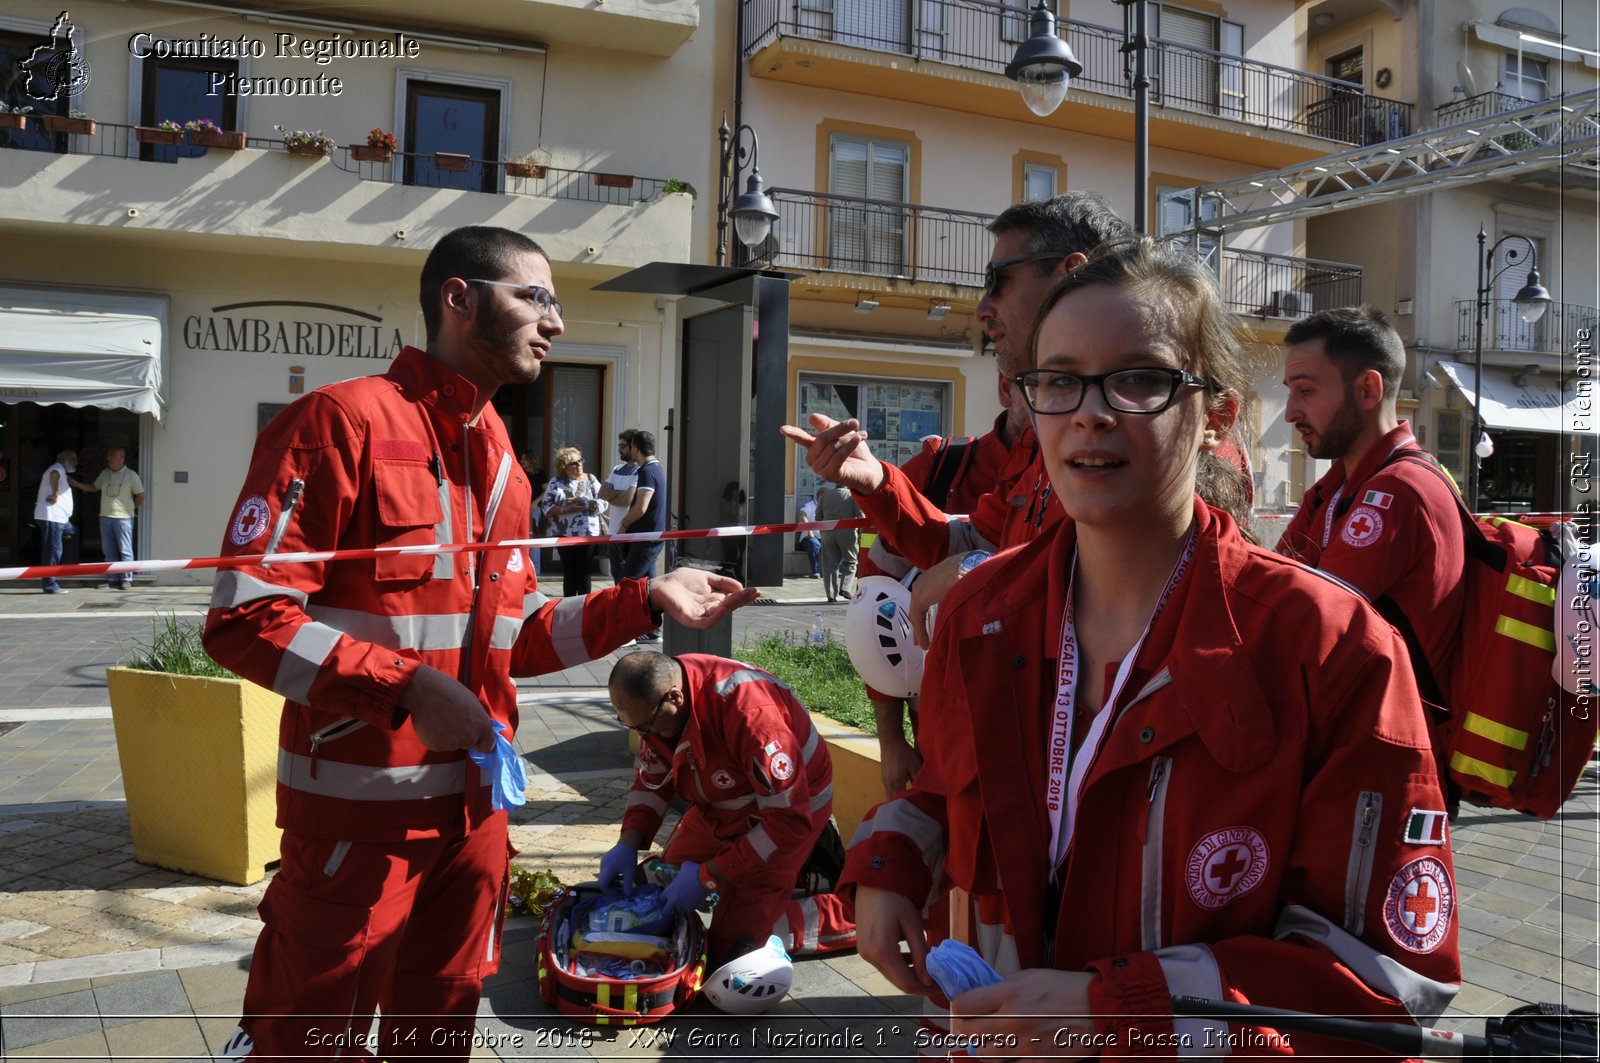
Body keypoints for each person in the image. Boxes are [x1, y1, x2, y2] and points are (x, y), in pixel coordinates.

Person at [840, 238, 1459, 1055]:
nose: (1090, 411)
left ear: (1218, 416)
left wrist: (1118, 1009)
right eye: (1059, 380)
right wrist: (892, 861)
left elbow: (1381, 986)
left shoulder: (1335, 647)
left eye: (1139, 378)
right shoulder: (979, 613)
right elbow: (950, 785)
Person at [201, 226, 758, 1063]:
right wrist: (409, 689)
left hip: (474, 826)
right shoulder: (338, 421)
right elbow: (244, 616)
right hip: (358, 834)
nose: (556, 322)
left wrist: (645, 596)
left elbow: (517, 638)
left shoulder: (502, 457)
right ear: (459, 300)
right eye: (535, 296)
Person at [783, 193, 1135, 638]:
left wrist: (982, 570)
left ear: (1072, 274)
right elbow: (970, 542)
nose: (982, 307)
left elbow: (1133, 590)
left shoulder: (1156, 419)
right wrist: (877, 482)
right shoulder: (1040, 431)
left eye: (998, 280)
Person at [1275, 306, 1465, 777]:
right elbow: (1269, 582)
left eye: (1306, 391)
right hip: (1356, 741)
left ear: (1367, 390)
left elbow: (1303, 621)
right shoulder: (1338, 486)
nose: (1290, 412)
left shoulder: (1396, 492)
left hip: (1388, 759)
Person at [599, 651, 855, 968]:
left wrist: (710, 874)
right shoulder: (663, 701)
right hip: (725, 804)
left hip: (788, 812)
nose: (643, 736)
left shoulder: (752, 715)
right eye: (630, 724)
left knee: (731, 952)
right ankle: (798, 878)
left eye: (646, 726)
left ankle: (861, 916)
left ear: (675, 698)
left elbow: (788, 823)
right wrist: (628, 841)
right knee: (660, 890)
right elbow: (652, 779)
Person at [616, 429, 666, 640]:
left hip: (644, 539)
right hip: (651, 537)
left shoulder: (646, 471)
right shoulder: (657, 469)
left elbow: (641, 506)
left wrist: (624, 524)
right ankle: (651, 630)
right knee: (648, 587)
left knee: (628, 584)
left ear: (635, 448)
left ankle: (627, 632)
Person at [72, 446, 145, 590]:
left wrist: (131, 509)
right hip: (105, 517)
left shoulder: (131, 475)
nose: (108, 458)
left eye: (112, 455)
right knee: (108, 550)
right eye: (108, 455)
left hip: (123, 518)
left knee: (125, 549)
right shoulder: (105, 473)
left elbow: (140, 495)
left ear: (121, 458)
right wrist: (76, 484)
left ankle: (126, 579)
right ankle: (112, 579)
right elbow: (94, 487)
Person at [541, 446, 603, 597]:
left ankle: (584, 606)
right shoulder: (556, 482)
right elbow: (546, 505)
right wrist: (566, 509)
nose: (579, 465)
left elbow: (603, 502)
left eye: (580, 461)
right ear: (564, 467)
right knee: (569, 572)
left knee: (584, 572)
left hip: (587, 533)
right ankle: (568, 606)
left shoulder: (591, 479)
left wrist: (585, 504)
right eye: (574, 463)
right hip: (564, 533)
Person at [33, 448, 77, 594]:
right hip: (52, 517)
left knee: (72, 532)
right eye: (72, 459)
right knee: (53, 551)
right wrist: (55, 494)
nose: (75, 462)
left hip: (59, 519)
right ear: (63, 459)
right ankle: (50, 585)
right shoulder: (57, 468)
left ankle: (68, 568)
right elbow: (53, 476)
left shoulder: (60, 470)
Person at [598, 430, 639, 580]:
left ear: (633, 446)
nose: (619, 449)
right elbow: (602, 493)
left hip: (629, 532)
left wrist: (612, 495)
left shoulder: (640, 471)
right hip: (613, 532)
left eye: (623, 446)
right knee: (617, 578)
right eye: (619, 445)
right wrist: (619, 495)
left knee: (628, 579)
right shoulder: (616, 469)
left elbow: (627, 500)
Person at [814, 481, 861, 603]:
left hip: (828, 533)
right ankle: (845, 588)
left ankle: (830, 595)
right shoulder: (852, 495)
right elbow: (861, 515)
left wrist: (823, 532)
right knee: (850, 561)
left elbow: (818, 516)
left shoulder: (826, 496)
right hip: (847, 533)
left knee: (829, 565)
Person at [795, 494, 821, 578]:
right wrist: (809, 529)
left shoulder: (829, 505)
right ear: (819, 496)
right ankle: (816, 571)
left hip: (826, 537)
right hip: (810, 537)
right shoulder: (811, 505)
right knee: (814, 544)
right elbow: (801, 515)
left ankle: (835, 570)